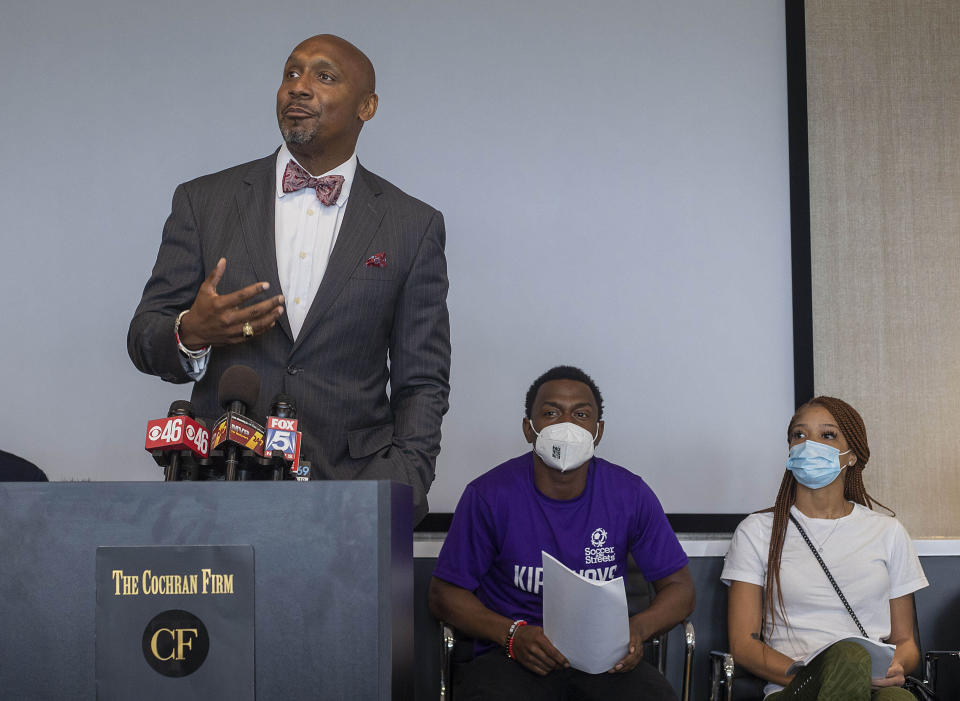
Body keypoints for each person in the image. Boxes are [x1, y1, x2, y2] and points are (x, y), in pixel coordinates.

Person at [128, 34, 450, 522]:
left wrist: (406, 478)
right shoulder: (203, 202)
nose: (298, 88)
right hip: (222, 484)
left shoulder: (413, 225)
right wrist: (190, 334)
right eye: (291, 73)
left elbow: (422, 380)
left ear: (368, 106)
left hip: (354, 494)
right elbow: (143, 336)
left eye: (323, 76)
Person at [429, 366, 694, 700]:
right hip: (513, 655)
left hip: (607, 660)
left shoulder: (630, 494)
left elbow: (680, 589)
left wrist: (635, 631)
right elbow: (443, 595)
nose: (567, 425)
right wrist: (512, 634)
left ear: (598, 432)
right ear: (529, 428)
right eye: (552, 412)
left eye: (581, 414)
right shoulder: (489, 495)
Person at [722, 396, 927, 700]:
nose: (808, 444)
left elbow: (905, 642)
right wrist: (827, 673)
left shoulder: (888, 532)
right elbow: (744, 645)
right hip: (795, 686)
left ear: (852, 456)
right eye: (799, 435)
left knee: (899, 697)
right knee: (849, 658)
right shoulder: (757, 531)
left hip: (872, 684)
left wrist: (896, 668)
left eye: (827, 435)